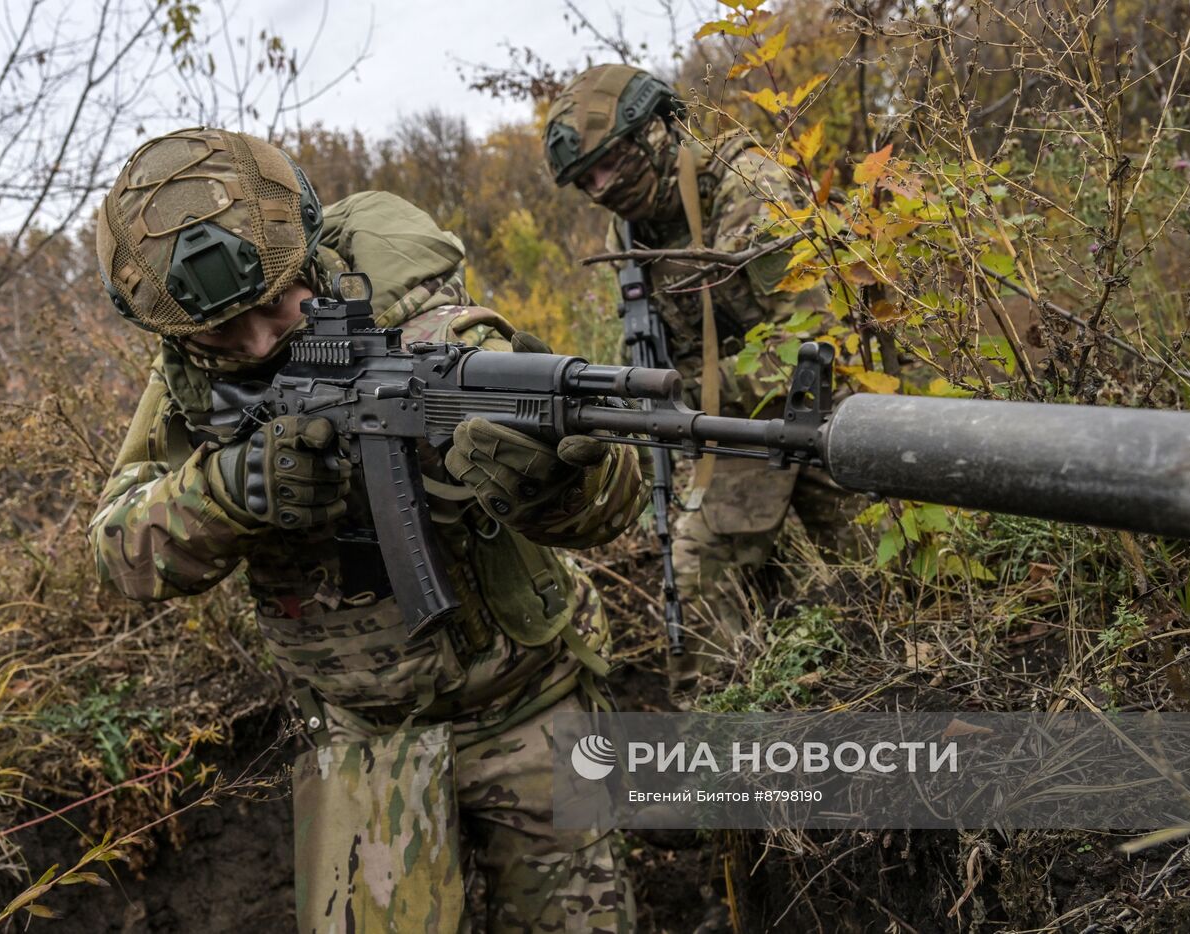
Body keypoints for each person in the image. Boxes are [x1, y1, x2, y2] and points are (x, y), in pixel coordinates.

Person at [88, 127, 644, 932]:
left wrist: (558, 482)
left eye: (275, 305)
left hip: (531, 707)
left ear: (309, 256)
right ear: (178, 333)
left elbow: (615, 507)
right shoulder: (189, 381)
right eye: (223, 335)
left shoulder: (432, 329)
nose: (258, 342)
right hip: (359, 740)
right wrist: (229, 490)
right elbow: (117, 552)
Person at [543, 64, 863, 695]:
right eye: (586, 180)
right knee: (696, 571)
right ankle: (726, 719)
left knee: (884, 576)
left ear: (656, 132)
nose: (601, 190)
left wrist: (691, 393)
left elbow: (814, 343)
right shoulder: (630, 231)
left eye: (610, 165)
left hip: (826, 416)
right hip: (735, 430)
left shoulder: (748, 188)